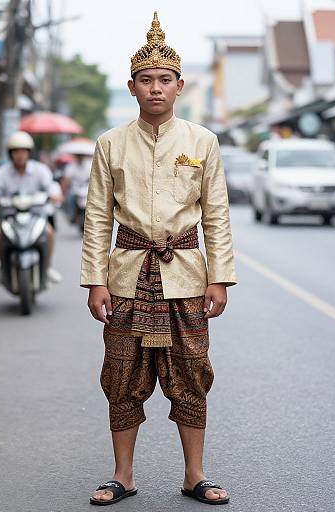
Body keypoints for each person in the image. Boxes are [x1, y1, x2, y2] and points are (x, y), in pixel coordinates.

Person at [81, 13, 236, 506]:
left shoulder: (202, 142)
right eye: (145, 80)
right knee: (121, 375)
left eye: (164, 80)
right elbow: (97, 218)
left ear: (179, 86)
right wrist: (94, 281)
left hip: (186, 277)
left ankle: (195, 475)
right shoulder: (110, 143)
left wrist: (221, 278)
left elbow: (216, 214)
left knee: (191, 374)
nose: (155, 88)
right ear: (131, 87)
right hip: (127, 275)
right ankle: (121, 476)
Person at [0, 131, 64, 283]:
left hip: (35, 216)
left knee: (48, 233)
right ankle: (2, 267)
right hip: (9, 217)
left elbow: (51, 186)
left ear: (29, 152)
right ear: (10, 154)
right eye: (16, 151)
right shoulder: (2, 173)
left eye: (23, 151)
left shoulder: (40, 170)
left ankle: (47, 267)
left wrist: (55, 195)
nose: (20, 155)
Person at [63, 152, 93, 222]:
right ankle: (72, 214)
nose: (80, 157)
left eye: (82, 155)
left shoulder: (90, 164)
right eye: (79, 155)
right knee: (70, 197)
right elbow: (67, 178)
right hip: (75, 188)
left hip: (87, 188)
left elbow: (94, 177)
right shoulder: (71, 166)